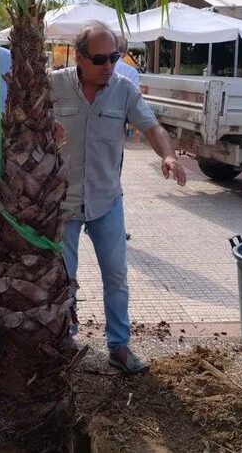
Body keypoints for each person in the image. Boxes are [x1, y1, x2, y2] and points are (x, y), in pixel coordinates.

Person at [50, 21, 187, 375]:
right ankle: (66, 341)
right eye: (100, 59)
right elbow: (23, 126)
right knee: (63, 278)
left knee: (116, 277)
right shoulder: (54, 85)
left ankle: (119, 346)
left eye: (114, 57)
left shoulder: (124, 90)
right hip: (62, 202)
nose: (109, 66)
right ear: (80, 57)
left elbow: (151, 126)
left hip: (106, 201)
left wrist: (167, 156)